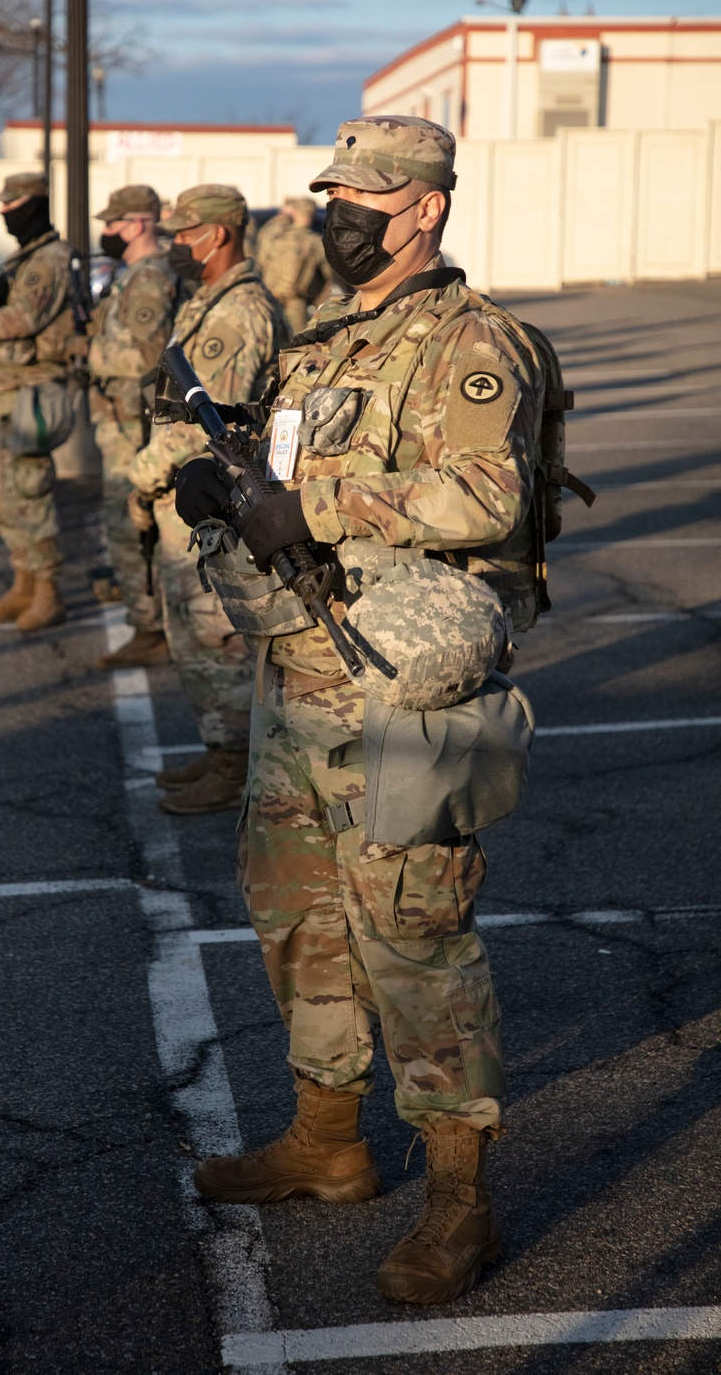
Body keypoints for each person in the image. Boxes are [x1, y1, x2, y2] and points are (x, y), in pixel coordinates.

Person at [175, 118, 544, 1304]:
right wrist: (221, 481)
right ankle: (327, 1145)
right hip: (298, 681)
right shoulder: (326, 341)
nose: (338, 213)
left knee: (415, 940)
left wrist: (314, 504)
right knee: (297, 919)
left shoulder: (470, 341)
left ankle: (458, 1205)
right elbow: (279, 479)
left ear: (424, 208)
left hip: (395, 690)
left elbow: (489, 493)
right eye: (330, 191)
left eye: (365, 196)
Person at [127, 184, 288, 815]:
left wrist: (143, 473)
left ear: (216, 235)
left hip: (207, 494)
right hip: (189, 491)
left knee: (217, 638)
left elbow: (206, 420)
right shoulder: (211, 301)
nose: (174, 248)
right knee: (194, 636)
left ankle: (236, 767)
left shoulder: (237, 312)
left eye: (182, 235)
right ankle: (221, 752)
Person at [0, 172, 81, 634]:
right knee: (4, 495)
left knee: (29, 494)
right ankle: (24, 582)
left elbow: (23, 317)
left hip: (31, 394)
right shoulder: (26, 257)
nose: (3, 213)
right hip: (6, 393)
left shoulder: (48, 260)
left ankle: (49, 591)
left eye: (11, 205)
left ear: (32, 205)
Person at [89, 185, 184, 671]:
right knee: (127, 523)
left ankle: (151, 626)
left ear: (139, 223)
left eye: (113, 222)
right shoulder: (135, 274)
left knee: (130, 524)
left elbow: (149, 354)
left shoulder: (151, 277)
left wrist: (88, 354)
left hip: (133, 422)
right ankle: (149, 620)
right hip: (119, 419)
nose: (105, 232)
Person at [257, 195, 333, 334]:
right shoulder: (315, 242)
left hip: (269, 299)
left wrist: (282, 216)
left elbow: (261, 256)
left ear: (294, 212)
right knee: (296, 345)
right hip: (294, 303)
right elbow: (329, 275)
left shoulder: (276, 237)